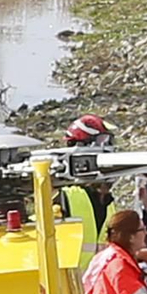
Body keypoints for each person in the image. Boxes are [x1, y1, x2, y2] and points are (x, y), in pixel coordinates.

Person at [62, 114, 118, 271]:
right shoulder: (65, 196)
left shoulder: (108, 202)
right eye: (103, 143)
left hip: (97, 288)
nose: (109, 149)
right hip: (68, 290)